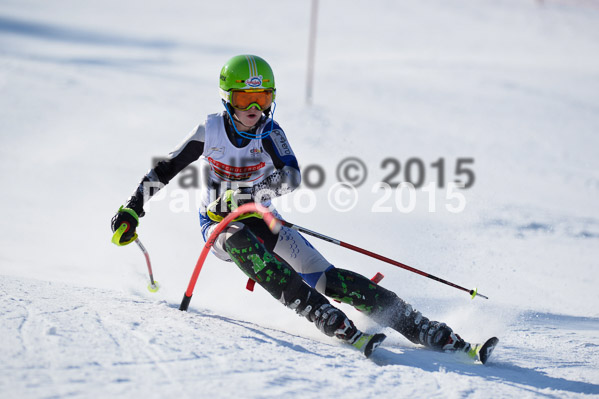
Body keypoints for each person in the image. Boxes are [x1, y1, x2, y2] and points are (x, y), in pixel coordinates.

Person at [111, 54, 473, 357]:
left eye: (263, 99)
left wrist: (247, 195)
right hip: (218, 225)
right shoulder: (210, 131)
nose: (254, 109)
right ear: (227, 98)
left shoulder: (271, 133)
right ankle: (323, 316)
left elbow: (291, 175)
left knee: (328, 277)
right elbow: (166, 168)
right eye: (243, 100)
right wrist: (132, 209)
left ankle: (418, 325)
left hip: (262, 218)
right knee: (238, 240)